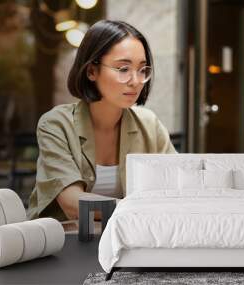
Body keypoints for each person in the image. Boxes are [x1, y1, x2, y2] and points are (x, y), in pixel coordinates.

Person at [28, 20, 176, 221]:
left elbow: (178, 184)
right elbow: (73, 204)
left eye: (142, 70)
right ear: (91, 71)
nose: (135, 80)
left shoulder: (149, 124)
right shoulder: (56, 124)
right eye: (123, 69)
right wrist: (141, 208)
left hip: (125, 240)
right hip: (63, 242)